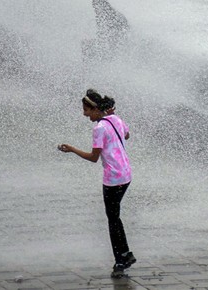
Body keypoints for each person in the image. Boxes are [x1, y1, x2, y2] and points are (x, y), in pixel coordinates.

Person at [58, 89, 136, 278]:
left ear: (94, 109)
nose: (85, 114)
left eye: (86, 110)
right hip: (126, 175)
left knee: (113, 219)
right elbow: (126, 135)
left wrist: (72, 149)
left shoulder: (99, 128)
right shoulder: (115, 119)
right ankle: (125, 254)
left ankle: (121, 260)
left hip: (113, 179)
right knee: (115, 217)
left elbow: (94, 157)